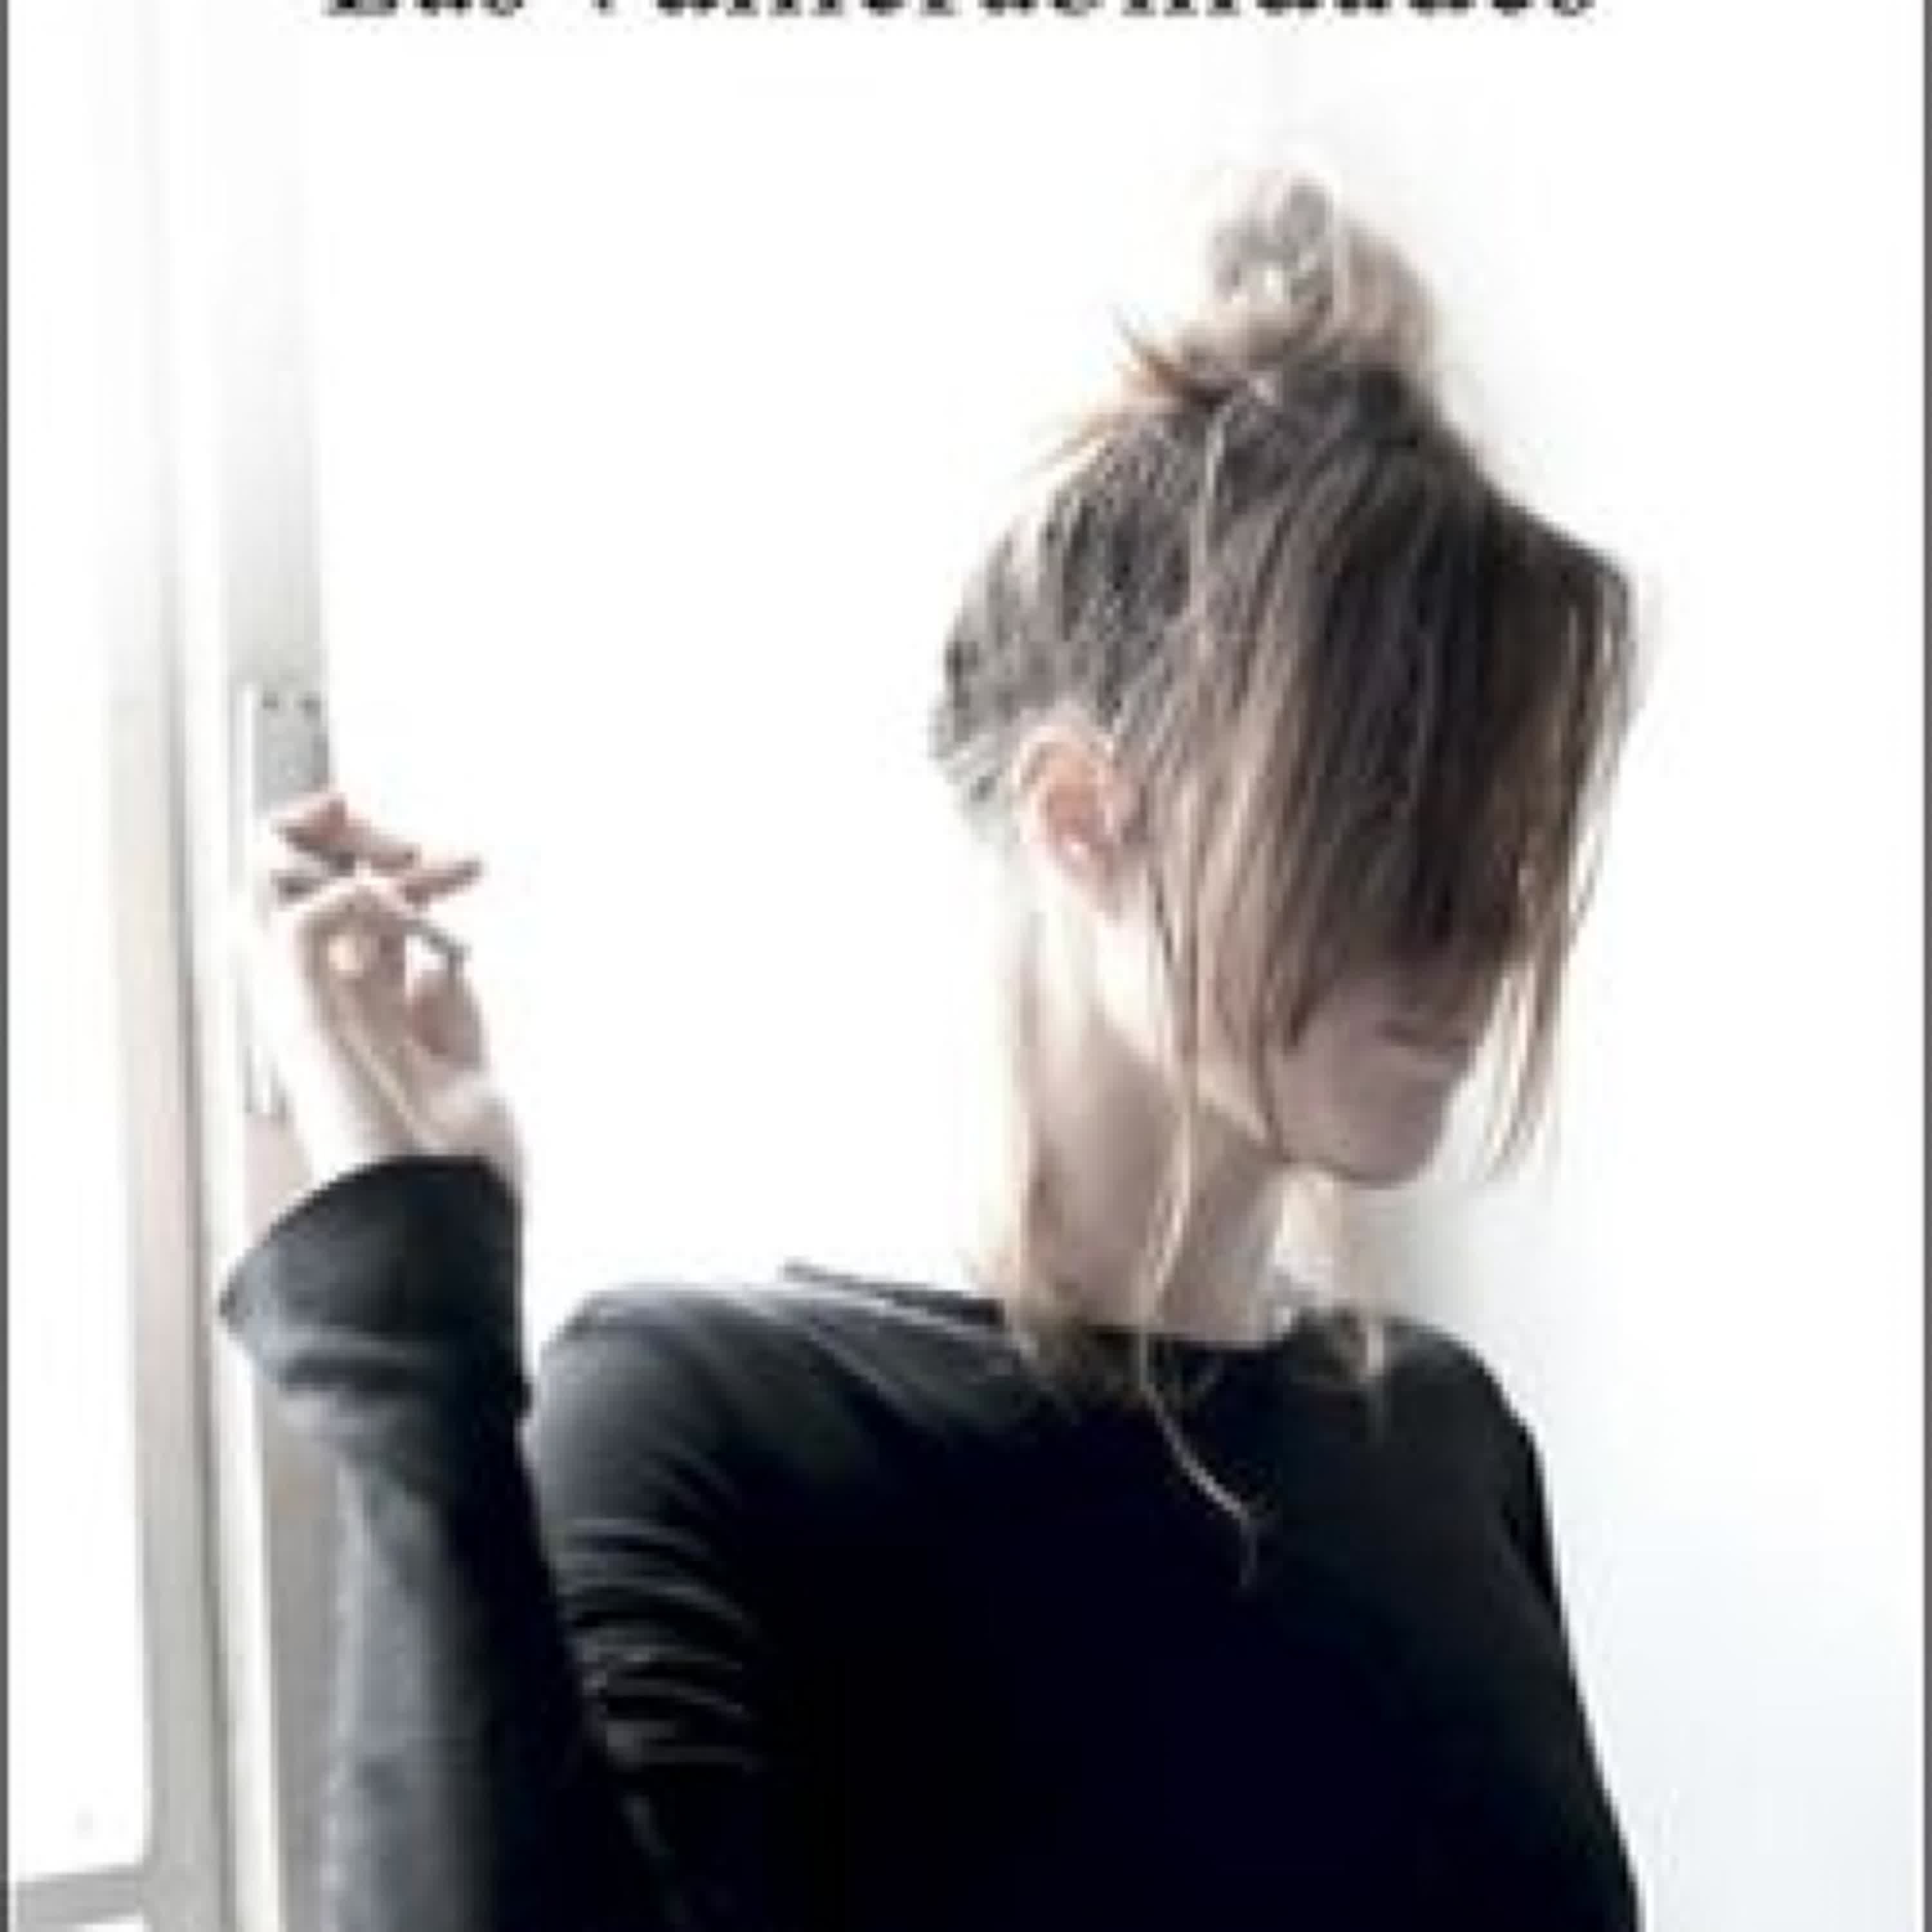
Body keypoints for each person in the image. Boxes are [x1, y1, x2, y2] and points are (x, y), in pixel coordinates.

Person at [221, 174, 1643, 1931]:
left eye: (1510, 836)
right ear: (1082, 817)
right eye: (1393, 821)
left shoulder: (1446, 1447)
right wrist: (410, 1322)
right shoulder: (712, 1425)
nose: (1489, 927)